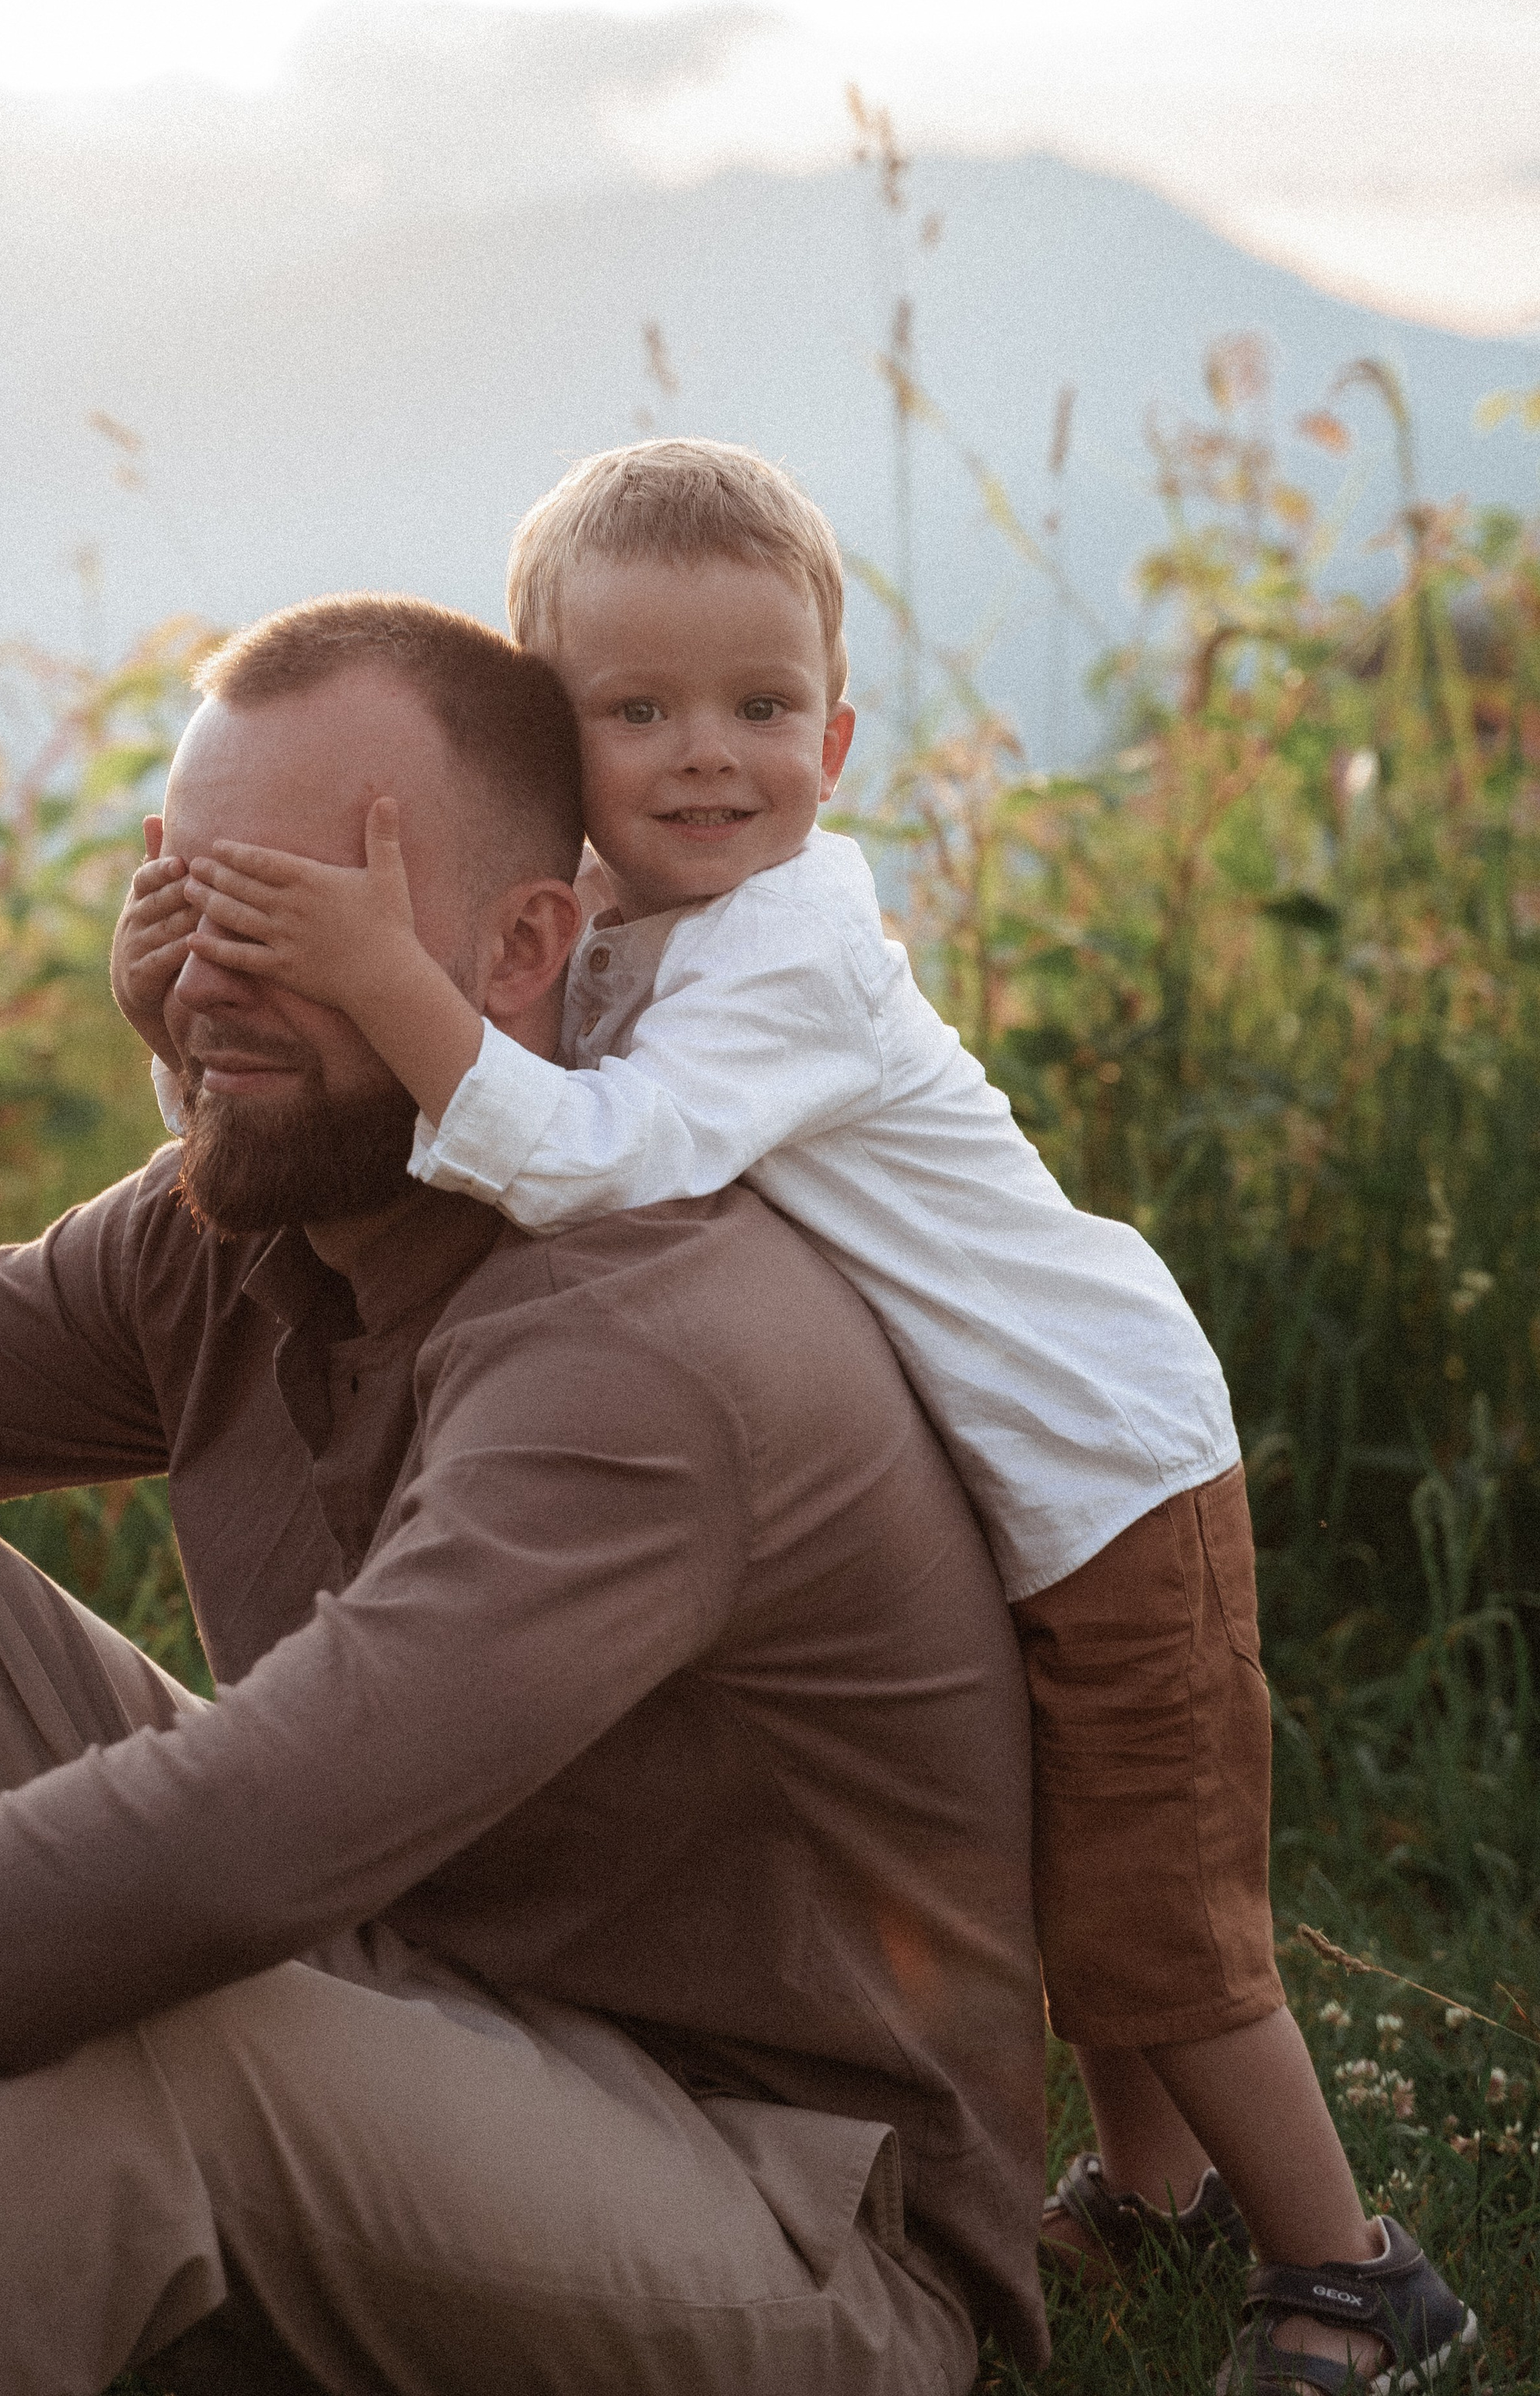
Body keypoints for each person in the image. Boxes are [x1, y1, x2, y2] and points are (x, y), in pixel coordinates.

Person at [0, 592, 1050, 2396]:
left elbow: (246, 1841)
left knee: (162, 2071)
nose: (202, 982)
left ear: (520, 947)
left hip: (789, 2223)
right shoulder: (248, 1210)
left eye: (283, 919)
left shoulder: (640, 1341)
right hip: (405, 1991)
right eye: (183, 903)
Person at [114, 447, 1477, 2396]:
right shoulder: (604, 928)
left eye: (759, 708)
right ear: (553, 743)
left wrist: (385, 979)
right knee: (1060, 1859)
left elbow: (590, 1158)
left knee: (1156, 1910)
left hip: (1103, 1461)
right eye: (636, 712)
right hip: (995, 1465)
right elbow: (404, 1119)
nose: (705, 756)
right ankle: (1149, 2191)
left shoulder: (789, 948)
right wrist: (200, 1022)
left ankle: (1347, 2272)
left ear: (833, 740)